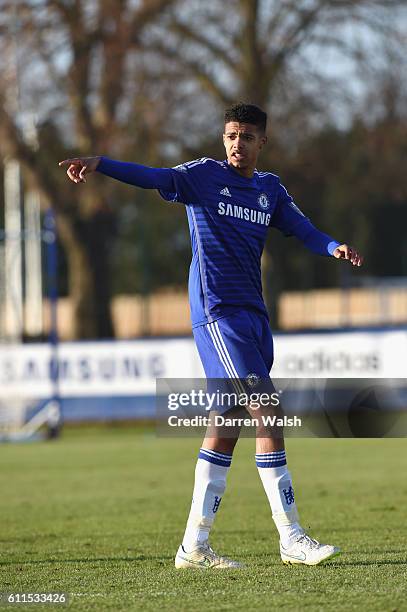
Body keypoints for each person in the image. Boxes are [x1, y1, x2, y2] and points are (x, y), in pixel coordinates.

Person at [59, 103, 363, 569]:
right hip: (218, 316)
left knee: (226, 425)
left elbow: (301, 229)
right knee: (269, 409)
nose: (236, 144)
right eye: (230, 135)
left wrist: (331, 246)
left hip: (253, 317)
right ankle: (292, 538)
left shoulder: (269, 189)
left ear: (263, 141)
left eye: (246, 136)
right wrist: (102, 164)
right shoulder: (202, 177)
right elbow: (152, 176)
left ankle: (193, 547)